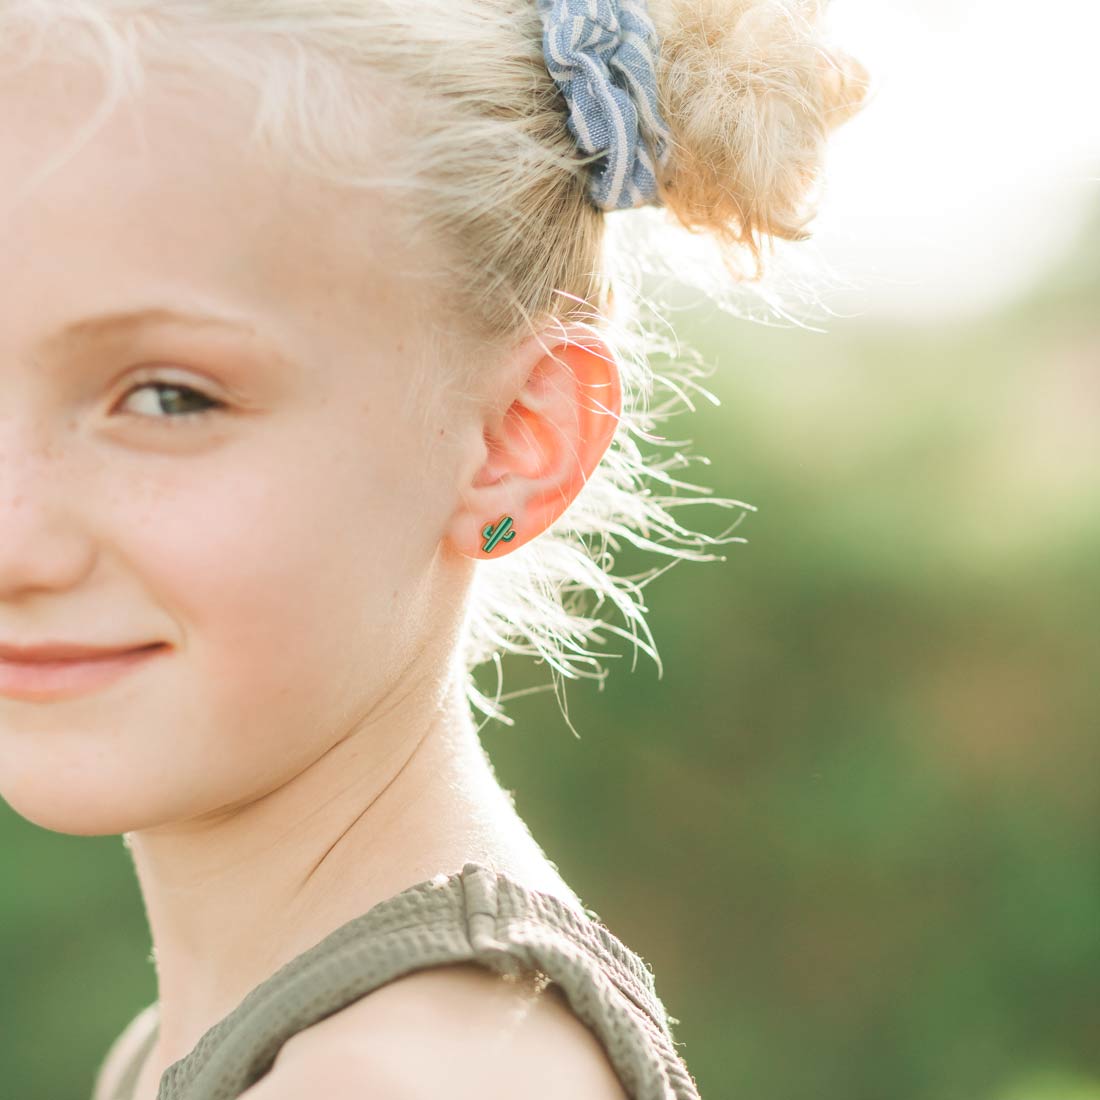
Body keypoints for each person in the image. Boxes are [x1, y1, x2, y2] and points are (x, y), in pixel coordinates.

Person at [0, 1, 869, 1097]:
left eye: (169, 397)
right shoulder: (220, 1033)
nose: (12, 539)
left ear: (517, 438)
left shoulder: (415, 1071)